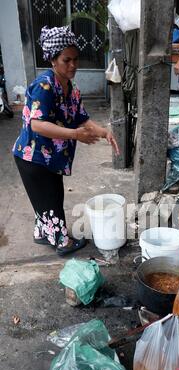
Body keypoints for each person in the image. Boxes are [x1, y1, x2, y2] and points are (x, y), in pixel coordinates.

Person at [13, 26, 119, 256]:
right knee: (50, 199)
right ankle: (62, 242)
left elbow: (81, 118)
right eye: (66, 60)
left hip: (50, 156)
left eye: (76, 59)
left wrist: (103, 132)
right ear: (53, 60)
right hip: (32, 156)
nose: (73, 65)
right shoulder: (43, 86)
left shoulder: (71, 88)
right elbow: (37, 124)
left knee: (50, 196)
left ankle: (42, 233)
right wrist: (75, 135)